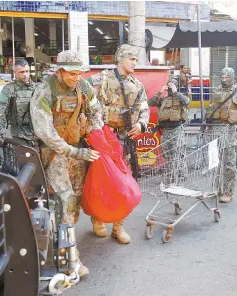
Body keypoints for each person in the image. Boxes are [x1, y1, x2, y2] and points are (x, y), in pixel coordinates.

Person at [30, 50, 103, 277]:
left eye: (78, 73)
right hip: (56, 155)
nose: (75, 78)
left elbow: (95, 109)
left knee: (76, 202)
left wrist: (97, 134)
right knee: (65, 200)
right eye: (71, 73)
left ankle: (66, 245)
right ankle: (68, 259)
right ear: (59, 71)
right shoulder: (44, 90)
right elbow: (44, 131)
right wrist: (73, 151)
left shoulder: (83, 87)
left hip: (78, 152)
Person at [89, 44, 150, 244]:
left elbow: (144, 109)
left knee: (123, 184)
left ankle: (118, 226)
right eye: (131, 59)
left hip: (124, 141)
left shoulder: (137, 85)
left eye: (135, 59)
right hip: (104, 140)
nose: (135, 62)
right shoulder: (101, 79)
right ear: (121, 59)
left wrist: (141, 124)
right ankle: (98, 219)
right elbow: (85, 100)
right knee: (101, 182)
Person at [205, 67, 237, 203]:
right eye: (223, 77)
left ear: (232, 77)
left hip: (229, 132)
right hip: (215, 131)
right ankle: (216, 188)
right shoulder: (217, 91)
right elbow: (211, 110)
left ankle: (228, 192)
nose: (224, 80)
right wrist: (208, 126)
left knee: (228, 164)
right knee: (215, 163)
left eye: (227, 77)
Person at [148, 79, 190, 182]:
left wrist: (176, 92)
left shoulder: (180, 98)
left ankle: (181, 176)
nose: (170, 88)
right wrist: (160, 91)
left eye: (172, 85)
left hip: (177, 130)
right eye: (169, 86)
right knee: (167, 154)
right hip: (166, 130)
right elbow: (150, 102)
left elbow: (187, 101)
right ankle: (172, 175)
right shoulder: (164, 99)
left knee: (178, 153)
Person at [0, 59, 37, 147]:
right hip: (18, 136)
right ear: (15, 72)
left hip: (37, 135)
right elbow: (0, 115)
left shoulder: (37, 88)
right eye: (21, 72)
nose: (25, 74)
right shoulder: (9, 89)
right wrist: (5, 135)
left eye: (27, 71)